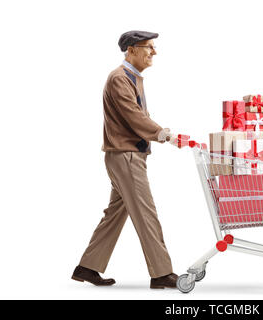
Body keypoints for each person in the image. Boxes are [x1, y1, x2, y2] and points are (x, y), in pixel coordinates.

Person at [71, 30, 178, 289]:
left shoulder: (133, 77)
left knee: (117, 213)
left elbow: (135, 115)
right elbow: (133, 116)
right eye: (148, 47)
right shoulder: (120, 78)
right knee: (145, 212)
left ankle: (88, 267)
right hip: (126, 156)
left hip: (127, 154)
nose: (154, 52)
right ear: (131, 50)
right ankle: (162, 273)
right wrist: (162, 134)